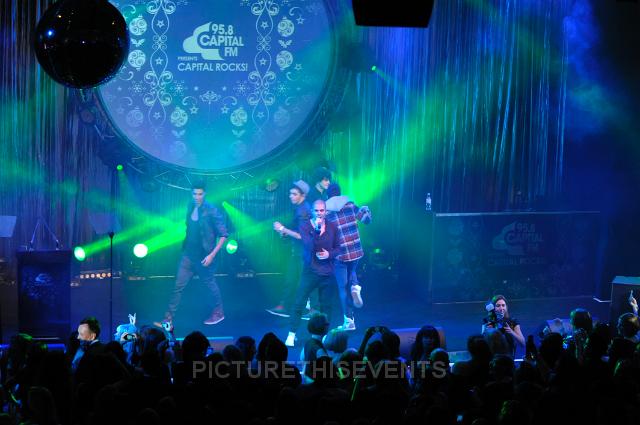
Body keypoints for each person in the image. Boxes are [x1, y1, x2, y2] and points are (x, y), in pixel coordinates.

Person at [162, 180, 228, 325]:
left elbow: (223, 235)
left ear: (205, 194)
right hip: (188, 254)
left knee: (209, 284)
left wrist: (211, 255)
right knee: (178, 286)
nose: (197, 197)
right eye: (194, 194)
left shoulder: (212, 210)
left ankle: (219, 313)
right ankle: (168, 318)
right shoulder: (190, 205)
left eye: (200, 194)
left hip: (205, 256)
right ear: (191, 193)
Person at [285, 200, 340, 347]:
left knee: (326, 305)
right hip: (310, 271)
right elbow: (309, 246)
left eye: (322, 210)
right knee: (299, 301)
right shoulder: (305, 226)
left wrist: (329, 254)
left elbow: (338, 248)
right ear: (312, 212)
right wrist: (316, 230)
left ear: (326, 211)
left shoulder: (333, 227)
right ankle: (291, 334)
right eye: (316, 210)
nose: (319, 213)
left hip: (327, 272)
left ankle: (324, 335)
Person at [325, 183, 371, 331]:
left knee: (342, 288)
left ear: (328, 195)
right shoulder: (350, 205)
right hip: (355, 250)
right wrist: (366, 210)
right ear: (339, 193)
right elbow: (366, 220)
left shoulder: (326, 211)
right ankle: (355, 286)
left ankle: (349, 321)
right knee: (352, 272)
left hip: (340, 254)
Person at [267, 180, 312, 317]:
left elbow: (301, 236)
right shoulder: (298, 208)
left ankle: (308, 310)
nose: (290, 196)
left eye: (294, 194)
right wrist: (284, 233)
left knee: (301, 281)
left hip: (305, 253)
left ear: (303, 195)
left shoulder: (304, 211)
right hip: (298, 252)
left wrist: (282, 229)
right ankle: (285, 306)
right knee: (291, 280)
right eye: (290, 193)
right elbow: (295, 231)